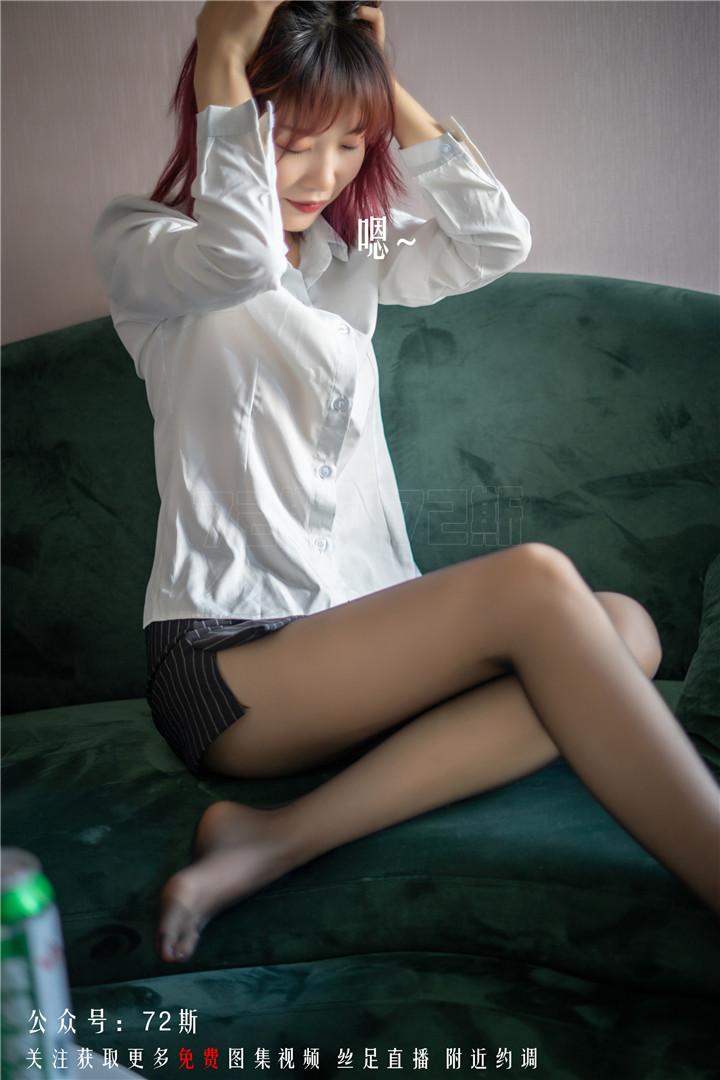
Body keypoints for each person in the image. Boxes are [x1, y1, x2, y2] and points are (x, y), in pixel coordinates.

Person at [93, 0, 720, 965]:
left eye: (350, 144)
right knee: (535, 581)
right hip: (228, 662)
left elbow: (491, 239)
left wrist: (381, 85)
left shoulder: (353, 255)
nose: (323, 177)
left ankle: (273, 840)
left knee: (626, 629)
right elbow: (238, 252)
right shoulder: (149, 248)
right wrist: (220, 47)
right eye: (292, 143)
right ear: (235, 118)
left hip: (360, 649)